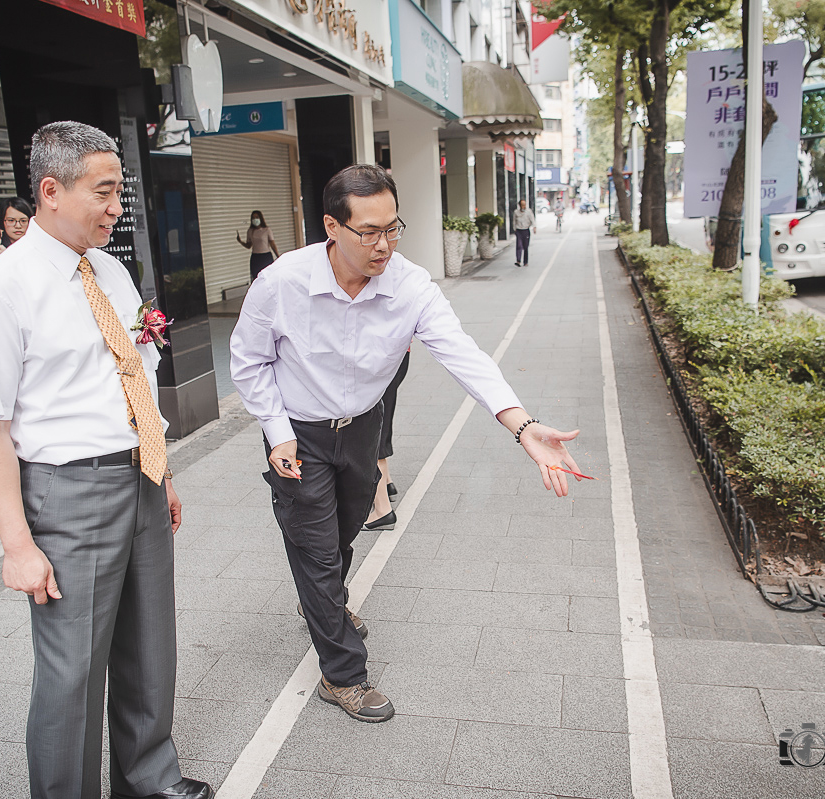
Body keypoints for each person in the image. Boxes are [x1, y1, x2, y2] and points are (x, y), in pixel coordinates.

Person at [230, 164, 586, 725]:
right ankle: (342, 673)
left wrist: (521, 424)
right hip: (298, 432)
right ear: (332, 226)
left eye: (393, 228)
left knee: (344, 532)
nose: (384, 244)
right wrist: (276, 433)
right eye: (369, 231)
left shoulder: (410, 284)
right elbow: (249, 363)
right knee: (316, 547)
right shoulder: (281, 283)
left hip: (364, 429)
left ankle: (324, 602)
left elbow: (461, 352)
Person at [0, 121, 212, 799]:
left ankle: (148, 777)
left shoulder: (113, 272)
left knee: (150, 646)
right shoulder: (0, 291)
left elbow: (133, 370)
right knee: (72, 671)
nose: (115, 207)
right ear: (50, 191)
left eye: (117, 192)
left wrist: (163, 469)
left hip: (140, 476)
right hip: (68, 492)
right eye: (102, 192)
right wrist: (16, 543)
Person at [364, 347, 409, 530]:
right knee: (381, 420)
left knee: (368, 430)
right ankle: (387, 483)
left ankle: (382, 509)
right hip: (398, 354)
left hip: (376, 357)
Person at [236, 210, 280, 280]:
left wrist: (278, 256)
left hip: (266, 256)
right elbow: (249, 246)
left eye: (256, 217)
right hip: (256, 257)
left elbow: (272, 244)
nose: (255, 219)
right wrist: (240, 241)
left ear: (260, 218)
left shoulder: (267, 230)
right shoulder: (250, 231)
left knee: (269, 277)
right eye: (253, 218)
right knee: (256, 278)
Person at [513, 199, 535, 267]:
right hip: (519, 230)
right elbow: (514, 221)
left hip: (526, 230)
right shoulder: (516, 212)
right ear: (519, 205)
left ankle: (525, 262)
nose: (524, 206)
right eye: (522, 205)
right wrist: (515, 229)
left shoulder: (528, 212)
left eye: (524, 204)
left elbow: (532, 220)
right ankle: (518, 261)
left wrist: (534, 227)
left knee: (525, 247)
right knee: (519, 246)